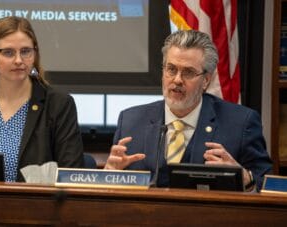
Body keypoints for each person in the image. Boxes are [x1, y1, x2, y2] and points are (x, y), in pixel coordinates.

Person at [104, 29, 272, 191]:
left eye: (188, 72)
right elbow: (110, 191)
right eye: (171, 69)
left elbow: (267, 185)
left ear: (206, 80)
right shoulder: (131, 121)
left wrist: (246, 178)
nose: (177, 80)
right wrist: (108, 175)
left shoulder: (240, 123)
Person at [0, 16, 84, 182]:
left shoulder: (59, 104)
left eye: (25, 51)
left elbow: (71, 174)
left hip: (34, 206)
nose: (19, 60)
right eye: (8, 52)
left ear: (35, 53)